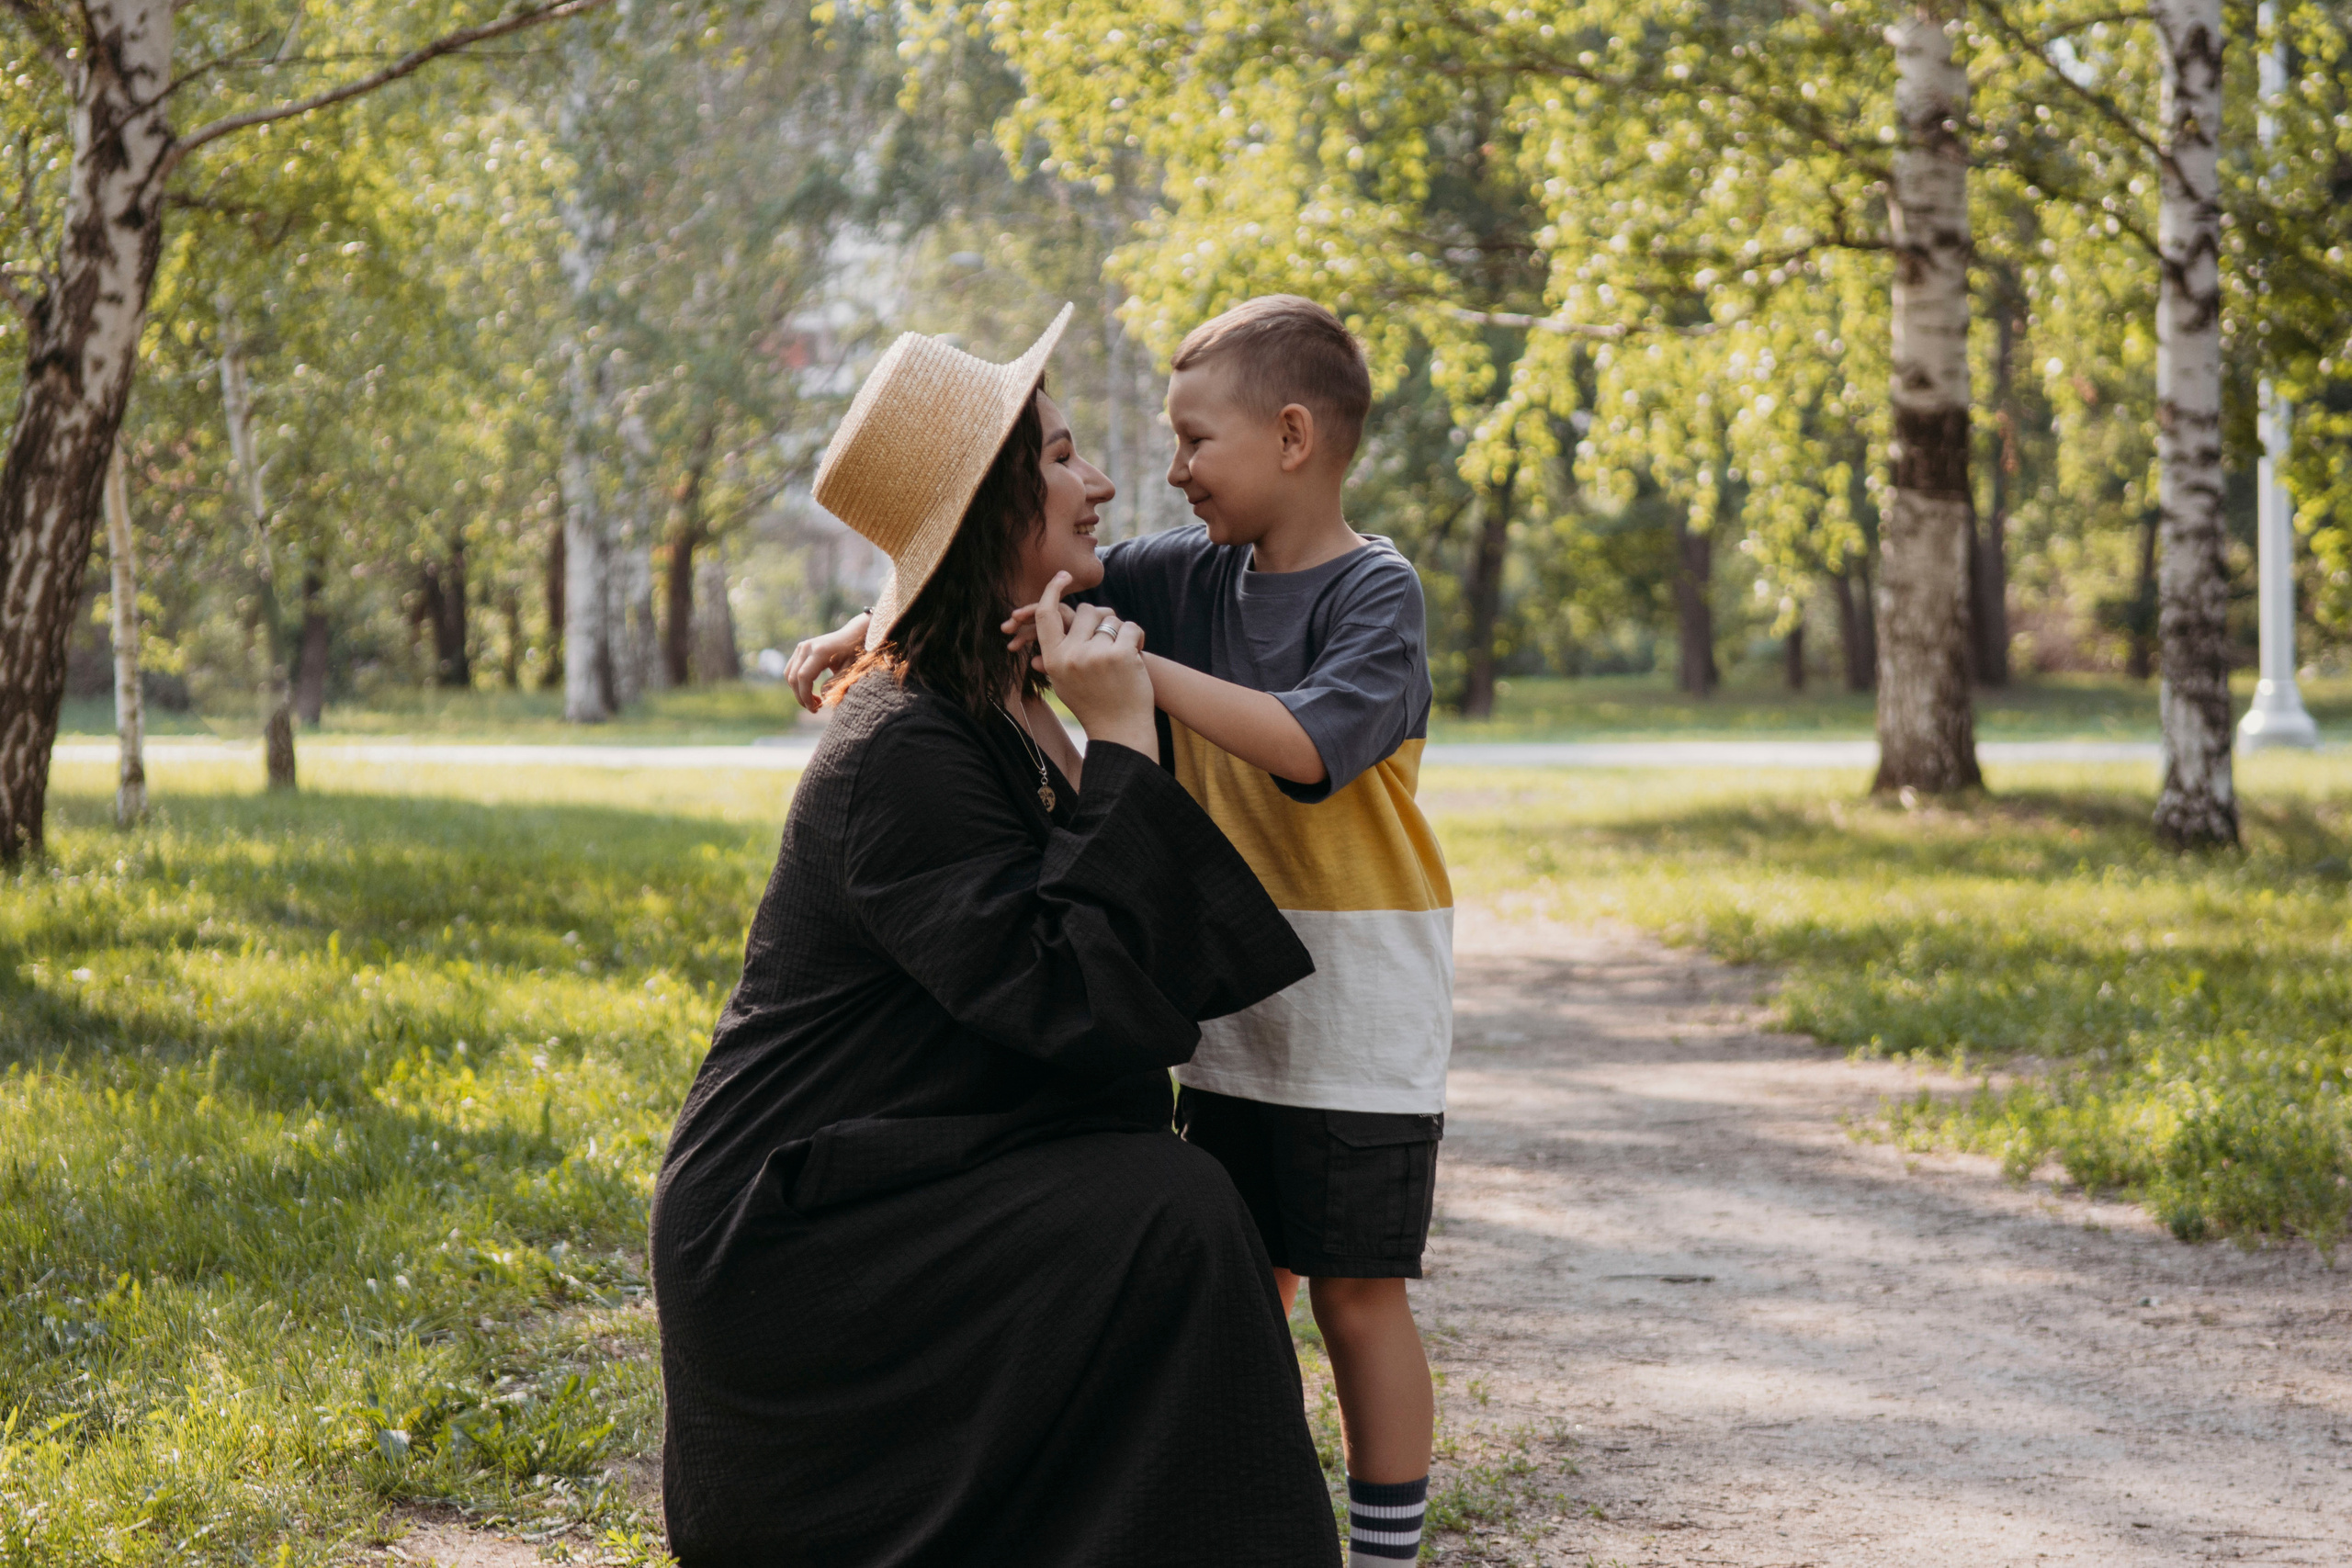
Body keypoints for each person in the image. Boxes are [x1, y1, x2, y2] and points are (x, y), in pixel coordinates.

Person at [656, 306, 1341, 1568]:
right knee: (1171, 1213)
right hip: (803, 1246)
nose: (1106, 482)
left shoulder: (991, 697)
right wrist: (1126, 744)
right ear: (990, 515)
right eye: (1067, 454)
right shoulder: (904, 748)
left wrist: (1106, 724)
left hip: (913, 1175)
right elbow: (1077, 1009)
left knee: (1176, 1201)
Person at [791, 296, 1452, 1566]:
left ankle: (1385, 1552)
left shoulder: (1376, 592)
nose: (1162, 469)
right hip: (1231, 1011)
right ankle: (1224, 1496)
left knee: (1360, 1298)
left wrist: (1133, 691)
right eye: (1157, 441)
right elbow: (994, 581)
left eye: (1195, 439)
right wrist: (863, 629)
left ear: (1297, 436)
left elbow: (1315, 744)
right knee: (1230, 1286)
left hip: (1356, 1009)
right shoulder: (1180, 570)